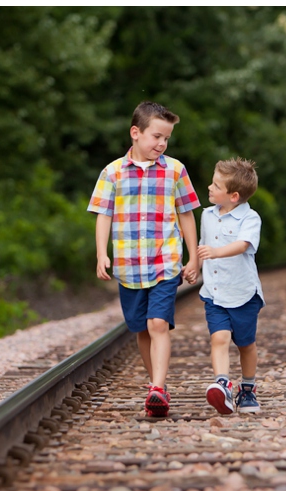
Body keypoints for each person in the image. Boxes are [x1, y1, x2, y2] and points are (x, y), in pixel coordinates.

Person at [88, 101, 200, 418]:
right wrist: (101, 254)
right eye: (156, 137)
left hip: (165, 260)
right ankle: (156, 384)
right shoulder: (112, 173)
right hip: (128, 264)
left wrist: (193, 257)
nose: (161, 144)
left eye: (166, 139)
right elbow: (103, 215)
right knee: (141, 329)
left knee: (157, 323)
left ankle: (158, 388)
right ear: (136, 133)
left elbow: (187, 214)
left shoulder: (175, 170)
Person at [197, 157, 264, 414]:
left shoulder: (250, 218)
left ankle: (247, 389)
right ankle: (223, 384)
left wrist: (216, 252)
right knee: (219, 338)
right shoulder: (207, 215)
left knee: (245, 343)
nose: (210, 188)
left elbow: (243, 245)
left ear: (233, 196)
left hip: (243, 293)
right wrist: (194, 266)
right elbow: (202, 247)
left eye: (216, 185)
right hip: (214, 292)